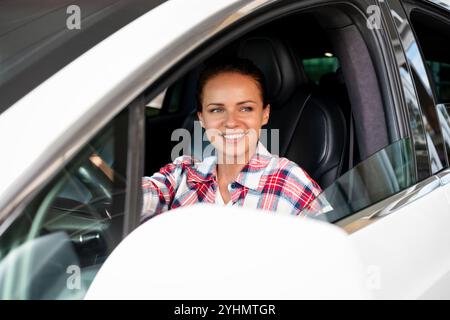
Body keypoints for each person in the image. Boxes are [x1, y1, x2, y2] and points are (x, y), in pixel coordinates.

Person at [141, 58, 329, 222]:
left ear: (265, 114)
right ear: (202, 118)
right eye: (217, 110)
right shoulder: (182, 176)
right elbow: (130, 200)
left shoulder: (290, 184)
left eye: (245, 108)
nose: (231, 122)